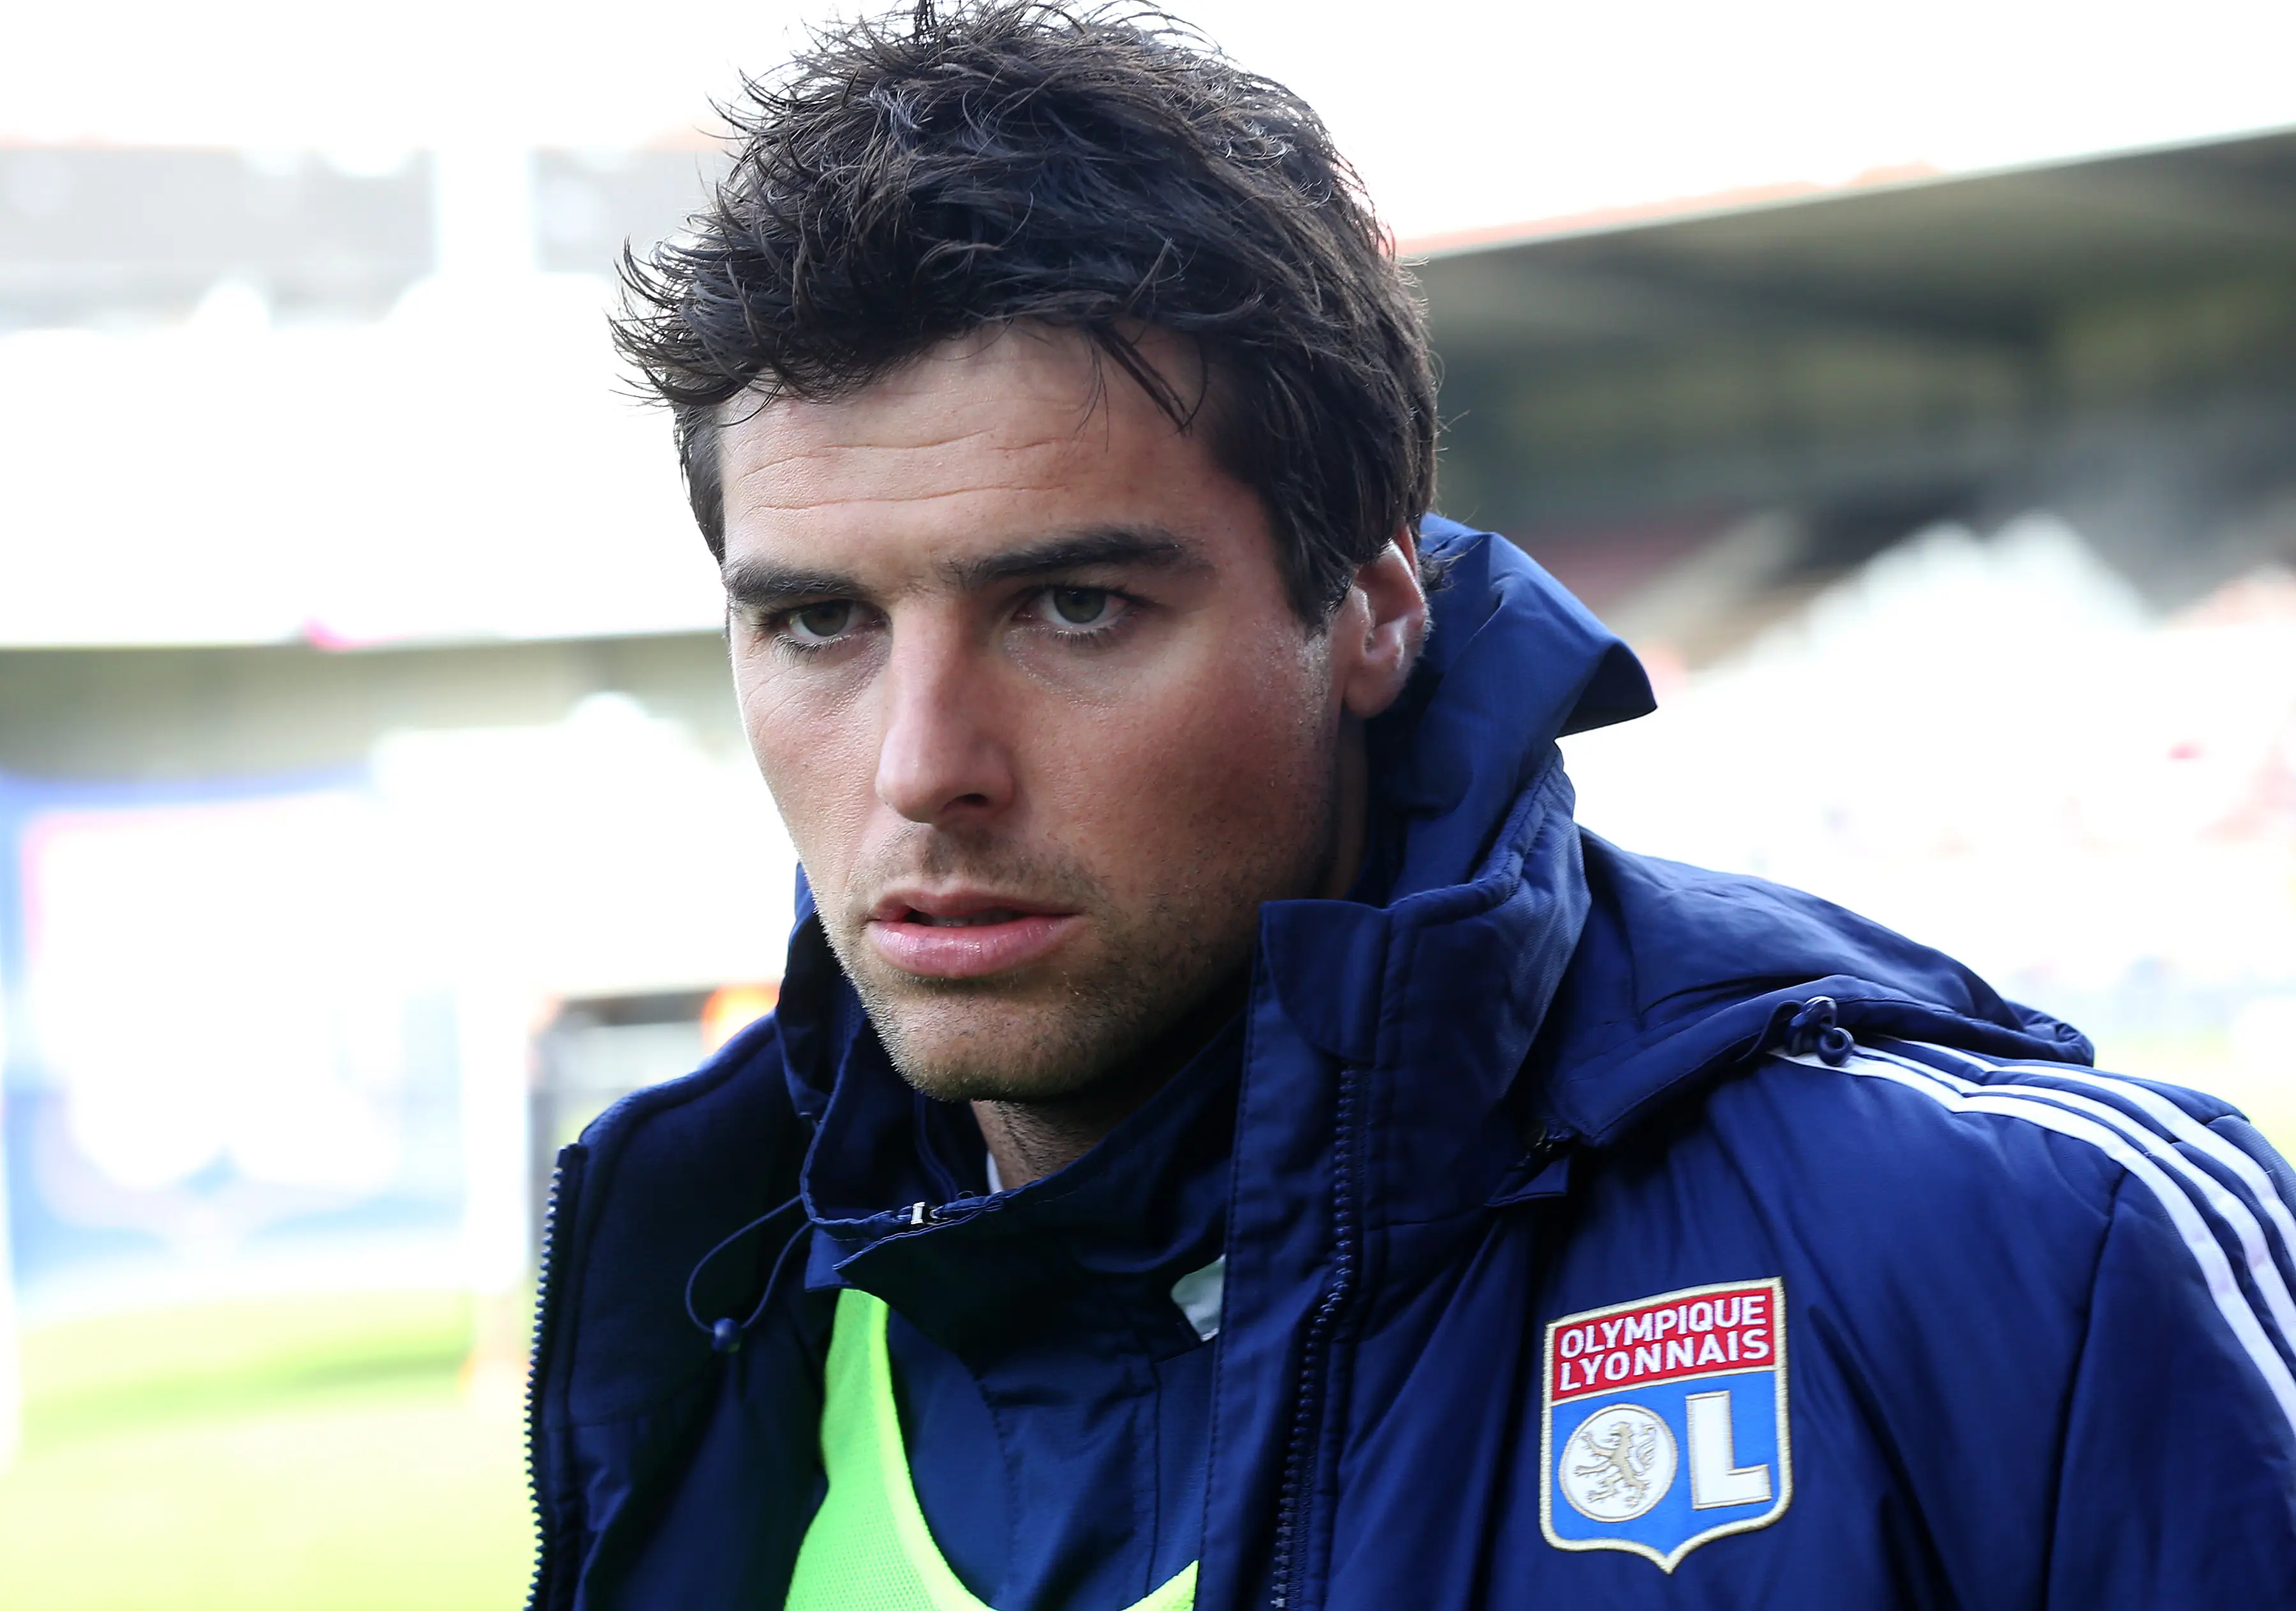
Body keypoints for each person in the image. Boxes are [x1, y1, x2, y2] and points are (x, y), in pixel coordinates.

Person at [524, 6, 2296, 1608]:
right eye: (817, 624)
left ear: (1373, 607)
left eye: (1074, 607)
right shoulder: (698, 1309)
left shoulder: (2036, 1256)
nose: (924, 766)